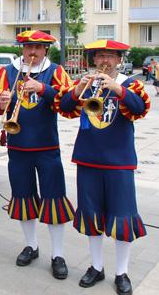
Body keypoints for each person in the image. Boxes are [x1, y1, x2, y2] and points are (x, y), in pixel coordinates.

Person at [57, 40, 150, 295]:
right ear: (94, 60)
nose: (105, 61)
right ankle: (96, 267)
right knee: (91, 216)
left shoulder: (130, 84)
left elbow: (140, 108)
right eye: (100, 56)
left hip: (119, 162)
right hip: (88, 159)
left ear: (119, 59)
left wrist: (119, 90)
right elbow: (64, 108)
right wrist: (77, 90)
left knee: (122, 218)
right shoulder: (87, 84)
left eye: (110, 56)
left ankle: (122, 272)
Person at [0, 30, 75, 279]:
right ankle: (32, 245)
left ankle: (57, 254)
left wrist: (44, 88)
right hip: (18, 148)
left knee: (54, 200)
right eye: (27, 47)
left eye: (37, 47)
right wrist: (0, 103)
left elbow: (69, 103)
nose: (32, 52)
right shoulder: (7, 71)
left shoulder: (55, 71)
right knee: (23, 198)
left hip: (47, 148)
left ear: (46, 49)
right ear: (22, 49)